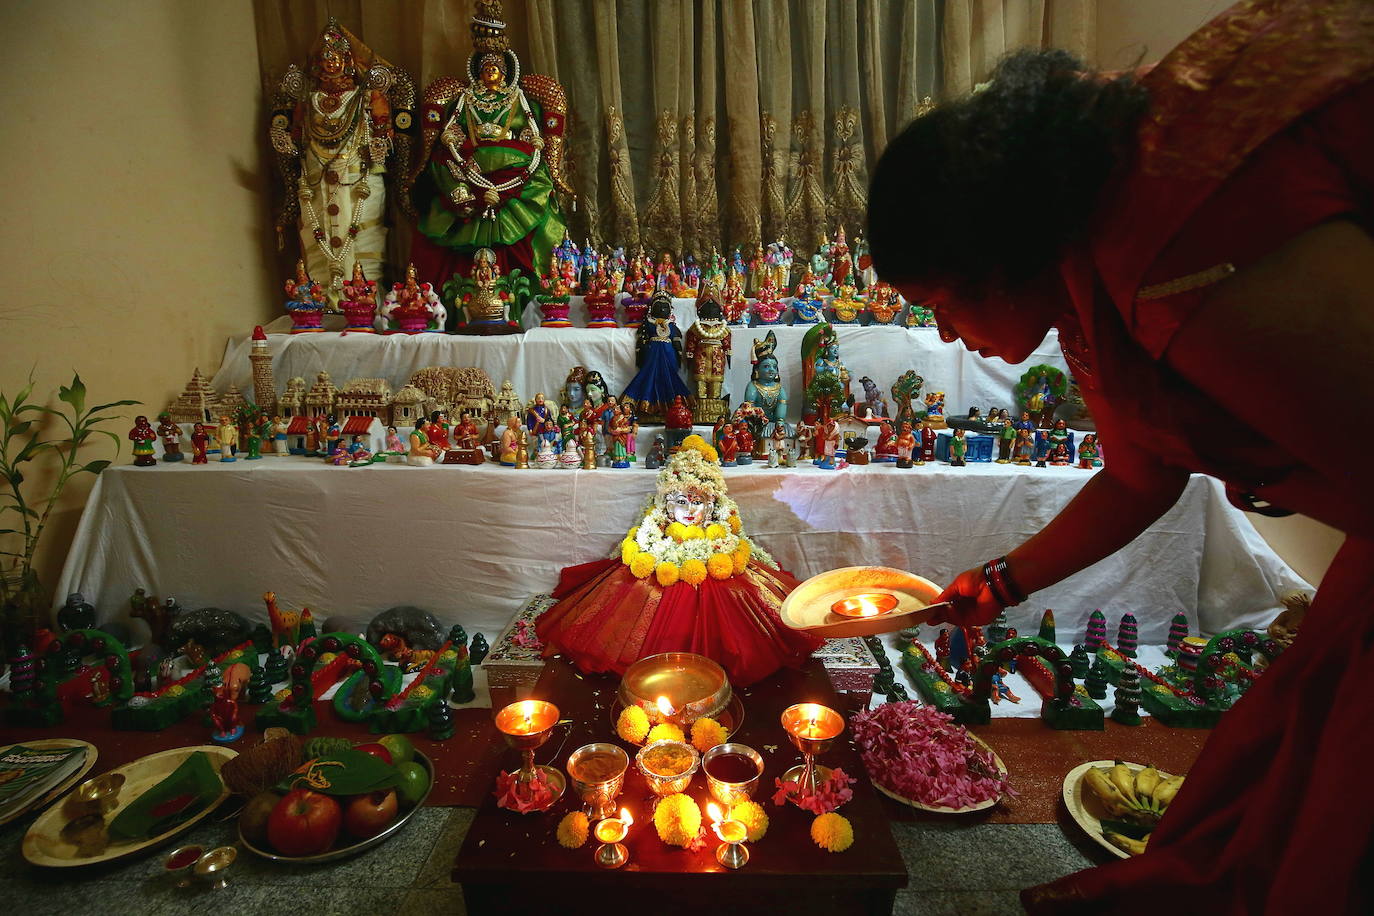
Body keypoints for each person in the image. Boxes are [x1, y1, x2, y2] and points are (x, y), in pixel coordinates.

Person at [867, 3, 1374, 911]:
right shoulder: (1082, 261)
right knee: (1261, 793)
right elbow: (1143, 471)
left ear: (995, 260)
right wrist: (1000, 585)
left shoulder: (1169, 247)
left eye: (939, 301)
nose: (944, 331)